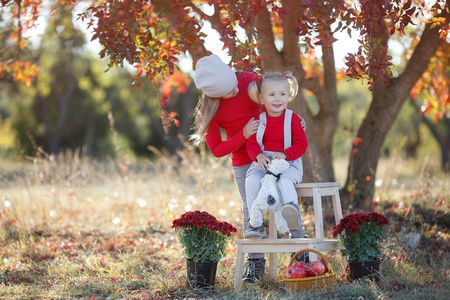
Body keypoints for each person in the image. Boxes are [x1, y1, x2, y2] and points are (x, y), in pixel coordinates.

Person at [191, 55, 305, 283]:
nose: (236, 88)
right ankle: (255, 264)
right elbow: (217, 149)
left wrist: (293, 121)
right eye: (229, 90)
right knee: (250, 206)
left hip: (277, 154)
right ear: (213, 94)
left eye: (234, 81)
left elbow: (277, 97)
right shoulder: (210, 108)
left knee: (286, 195)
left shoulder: (249, 81)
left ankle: (299, 253)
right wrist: (243, 135)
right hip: (246, 159)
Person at [244, 72, 309, 252]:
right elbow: (251, 144)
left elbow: (301, 144)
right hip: (263, 163)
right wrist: (258, 156)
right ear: (261, 97)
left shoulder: (293, 119)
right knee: (252, 181)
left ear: (288, 95)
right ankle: (255, 222)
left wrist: (286, 154)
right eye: (272, 94)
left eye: (282, 94)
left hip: (289, 162)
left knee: (284, 182)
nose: (277, 99)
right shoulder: (259, 120)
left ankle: (294, 221)